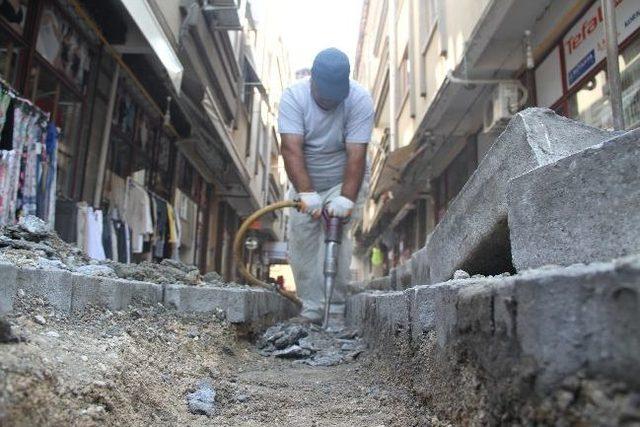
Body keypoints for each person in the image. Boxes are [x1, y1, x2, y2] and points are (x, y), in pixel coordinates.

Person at [278, 48, 374, 324]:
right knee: (303, 242)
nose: (331, 100)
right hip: (304, 179)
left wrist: (345, 199)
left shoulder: (359, 99)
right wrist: (307, 193)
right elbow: (290, 149)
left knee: (337, 240)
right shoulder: (294, 98)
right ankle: (311, 309)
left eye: (336, 95)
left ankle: (334, 311)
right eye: (325, 94)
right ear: (313, 82)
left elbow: (357, 154)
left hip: (344, 180)